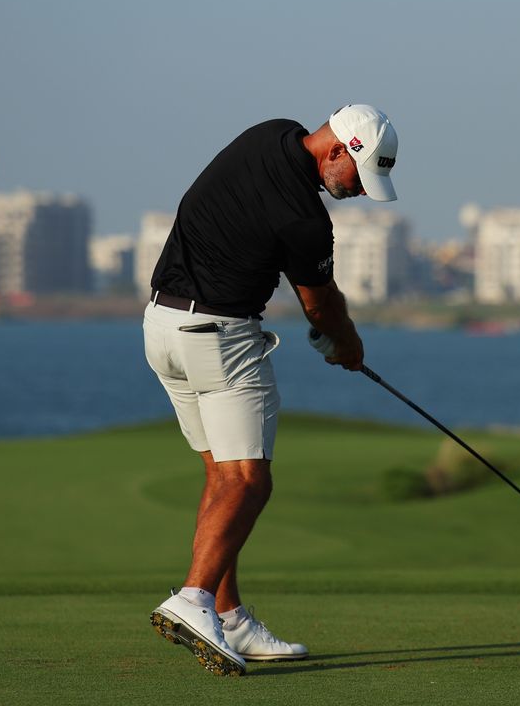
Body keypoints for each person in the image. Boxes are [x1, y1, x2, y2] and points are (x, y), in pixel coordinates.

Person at [142, 104, 398, 676]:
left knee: (221, 472)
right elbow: (319, 304)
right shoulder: (308, 221)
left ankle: (228, 615)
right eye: (359, 178)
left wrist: (330, 330)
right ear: (338, 151)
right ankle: (193, 599)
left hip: (162, 327)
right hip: (220, 337)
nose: (358, 192)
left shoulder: (269, 133)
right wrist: (346, 343)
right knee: (250, 480)